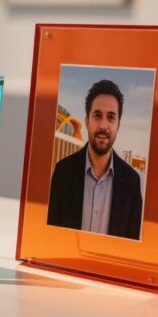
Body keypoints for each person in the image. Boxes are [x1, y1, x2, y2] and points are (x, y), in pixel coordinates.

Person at [47, 79, 143, 240]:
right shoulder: (63, 172)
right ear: (86, 121)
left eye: (111, 117)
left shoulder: (132, 182)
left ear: (118, 125)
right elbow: (51, 236)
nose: (103, 125)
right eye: (97, 115)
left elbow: (131, 248)